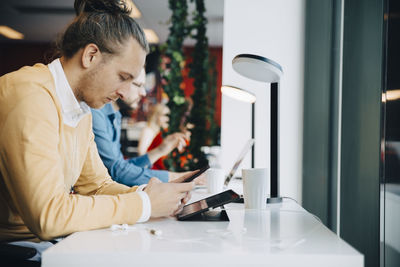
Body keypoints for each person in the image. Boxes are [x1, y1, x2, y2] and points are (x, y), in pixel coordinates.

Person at [0, 0, 195, 255]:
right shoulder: (31, 96)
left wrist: (149, 193)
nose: (126, 94)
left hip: (44, 245)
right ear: (91, 56)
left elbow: (97, 185)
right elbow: (48, 216)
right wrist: (145, 204)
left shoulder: (80, 107)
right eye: (123, 77)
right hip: (16, 250)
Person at [91, 68, 190, 185]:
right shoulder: (96, 112)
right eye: (138, 85)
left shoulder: (116, 115)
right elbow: (117, 172)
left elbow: (122, 167)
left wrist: (161, 150)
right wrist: (178, 177)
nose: (143, 93)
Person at [137, 103, 177, 170]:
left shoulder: (164, 131)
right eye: (165, 116)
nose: (167, 119)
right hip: (151, 169)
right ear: (156, 116)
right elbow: (142, 153)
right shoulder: (148, 131)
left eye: (168, 116)